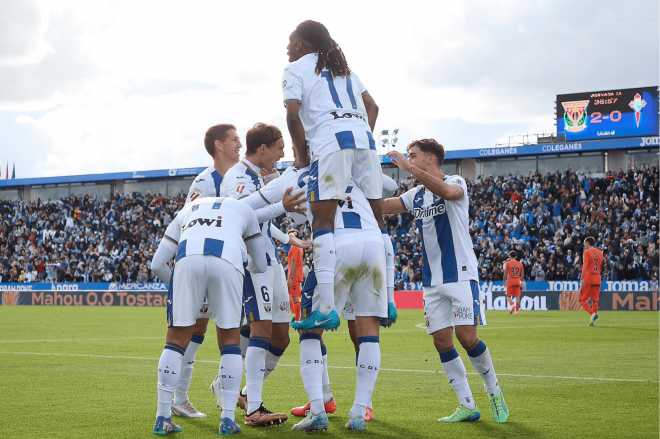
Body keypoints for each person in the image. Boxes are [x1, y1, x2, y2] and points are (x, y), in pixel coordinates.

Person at [382, 139, 509, 424]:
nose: (407, 160)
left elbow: (448, 193)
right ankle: (466, 404)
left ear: (430, 159)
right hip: (431, 281)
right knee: (442, 341)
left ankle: (494, 391)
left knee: (467, 337)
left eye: (413, 156)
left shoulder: (456, 181)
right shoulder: (415, 195)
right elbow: (382, 207)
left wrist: (407, 165)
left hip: (461, 274)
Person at [283, 20, 383, 329]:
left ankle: (325, 307)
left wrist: (302, 156)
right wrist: (360, 135)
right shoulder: (345, 70)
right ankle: (387, 302)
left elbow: (292, 115)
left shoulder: (295, 68)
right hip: (365, 144)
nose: (287, 47)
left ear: (302, 45)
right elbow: (373, 106)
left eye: (290, 41)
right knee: (377, 222)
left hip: (329, 144)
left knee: (323, 222)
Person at [150, 196, 266, 435]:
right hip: (228, 261)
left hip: (186, 260)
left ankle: (162, 416)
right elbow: (261, 265)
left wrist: (184, 291)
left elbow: (156, 265)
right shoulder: (245, 209)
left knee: (174, 342)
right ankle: (227, 420)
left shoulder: (188, 207)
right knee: (230, 343)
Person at [218, 122, 290, 426]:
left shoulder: (259, 176)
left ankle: (234, 388)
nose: (282, 153)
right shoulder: (236, 176)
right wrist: (281, 206)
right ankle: (254, 409)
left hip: (270, 258)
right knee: (261, 330)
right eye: (279, 148)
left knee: (282, 337)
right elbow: (240, 214)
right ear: (263, 148)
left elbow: (262, 218)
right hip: (251, 261)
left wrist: (286, 235)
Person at [169, 123, 242, 419]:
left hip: (227, 262)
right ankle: (179, 398)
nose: (240, 144)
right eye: (234, 139)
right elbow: (186, 219)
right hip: (203, 261)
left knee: (238, 328)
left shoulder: (237, 178)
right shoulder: (204, 181)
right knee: (194, 329)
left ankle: (226, 389)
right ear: (218, 146)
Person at [581, 236, 603, 326]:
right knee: (595, 301)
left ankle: (593, 314)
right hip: (597, 278)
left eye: (584, 243)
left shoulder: (586, 252)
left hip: (589, 278)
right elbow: (600, 266)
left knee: (582, 299)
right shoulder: (601, 253)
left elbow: (585, 265)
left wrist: (582, 278)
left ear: (588, 243)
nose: (584, 244)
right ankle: (592, 321)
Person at [287, 234, 304, 322]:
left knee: (295, 298)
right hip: (298, 275)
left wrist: (290, 278)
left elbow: (293, 263)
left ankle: (297, 319)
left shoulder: (294, 248)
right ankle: (295, 315)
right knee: (290, 296)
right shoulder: (299, 248)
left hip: (294, 276)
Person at [503, 251, 524, 315]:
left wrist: (504, 281)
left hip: (511, 281)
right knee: (518, 297)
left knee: (508, 296)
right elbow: (522, 274)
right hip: (517, 281)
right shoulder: (520, 264)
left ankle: (512, 305)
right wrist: (521, 281)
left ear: (510, 256)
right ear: (515, 256)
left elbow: (505, 274)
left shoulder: (508, 264)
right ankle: (517, 311)